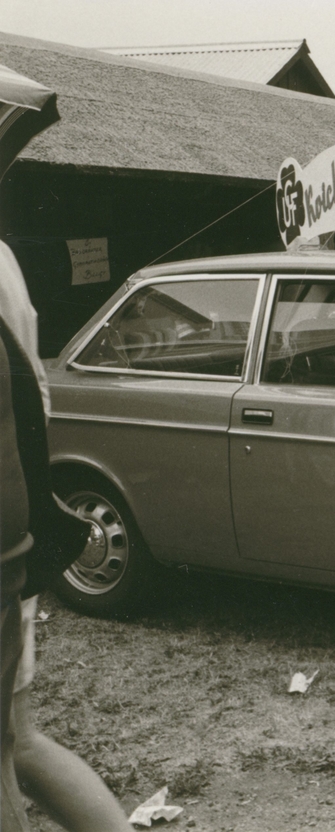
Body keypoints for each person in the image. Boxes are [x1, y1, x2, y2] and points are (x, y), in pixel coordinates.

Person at [2, 241, 130, 832]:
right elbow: (35, 399)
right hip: (17, 521)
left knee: (13, 744)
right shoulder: (5, 257)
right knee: (16, 741)